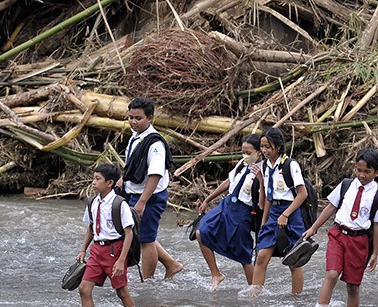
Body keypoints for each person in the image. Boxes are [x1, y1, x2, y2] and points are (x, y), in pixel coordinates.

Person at [302, 148, 378, 307]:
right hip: (338, 234)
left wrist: (375, 253)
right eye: (359, 170)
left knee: (353, 286)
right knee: (332, 274)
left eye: (367, 172)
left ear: (377, 172)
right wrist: (313, 228)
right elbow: (331, 207)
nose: (362, 175)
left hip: (359, 241)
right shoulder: (346, 185)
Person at [120, 97, 183, 280]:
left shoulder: (155, 144)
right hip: (135, 192)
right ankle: (171, 264)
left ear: (150, 118)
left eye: (138, 118)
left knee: (145, 241)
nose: (133, 121)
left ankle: (148, 281)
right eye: (130, 117)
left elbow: (156, 174)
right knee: (145, 236)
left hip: (149, 196)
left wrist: (142, 202)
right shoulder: (136, 137)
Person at [194, 134, 264, 291]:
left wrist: (260, 179)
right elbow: (228, 182)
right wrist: (208, 199)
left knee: (243, 254)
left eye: (248, 152)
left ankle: (255, 289)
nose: (245, 155)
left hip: (244, 212)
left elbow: (264, 200)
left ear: (259, 152)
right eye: (243, 152)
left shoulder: (265, 170)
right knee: (201, 233)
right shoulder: (242, 163)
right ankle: (216, 274)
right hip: (227, 205)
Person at [250, 127, 307, 295]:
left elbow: (302, 194)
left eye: (268, 146)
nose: (265, 150)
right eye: (262, 146)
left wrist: (286, 214)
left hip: (290, 212)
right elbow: (268, 197)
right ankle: (254, 296)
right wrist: (263, 222)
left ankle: (296, 300)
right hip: (273, 212)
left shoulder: (290, 164)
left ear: (278, 146)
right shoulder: (266, 166)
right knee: (261, 257)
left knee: (293, 260)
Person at [77, 164, 135, 307]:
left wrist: (121, 260)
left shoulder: (119, 204)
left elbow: (129, 233)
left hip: (114, 250)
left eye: (98, 179)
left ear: (109, 183)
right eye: (93, 178)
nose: (93, 182)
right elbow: (91, 227)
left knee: (121, 291)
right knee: (84, 288)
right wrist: (83, 249)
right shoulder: (92, 202)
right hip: (96, 250)